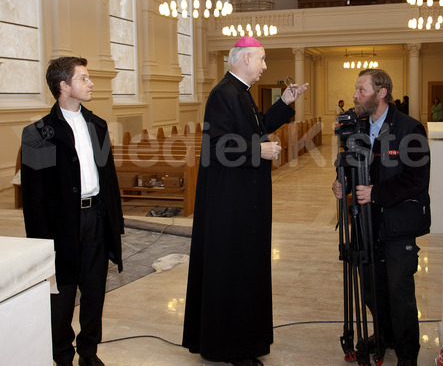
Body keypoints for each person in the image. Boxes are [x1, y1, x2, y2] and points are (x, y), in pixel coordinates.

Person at [182, 36, 308, 366]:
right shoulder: (223, 94)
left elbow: (258, 125)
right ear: (245, 60)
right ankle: (234, 348)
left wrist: (285, 102)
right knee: (234, 270)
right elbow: (219, 146)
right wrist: (259, 150)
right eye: (262, 59)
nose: (266, 66)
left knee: (245, 269)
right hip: (230, 203)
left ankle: (243, 341)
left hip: (243, 199)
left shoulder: (240, 92)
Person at [21, 57, 124, 366]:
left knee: (94, 291)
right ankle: (62, 355)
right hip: (61, 224)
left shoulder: (98, 125)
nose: (90, 83)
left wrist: (114, 224)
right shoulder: (38, 133)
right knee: (62, 296)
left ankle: (89, 353)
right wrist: (40, 243)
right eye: (83, 78)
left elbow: (108, 179)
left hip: (96, 219)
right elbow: (33, 197)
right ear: (63, 86)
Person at [331, 69, 430, 366]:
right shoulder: (356, 129)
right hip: (365, 222)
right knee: (373, 290)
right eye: (356, 90)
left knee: (400, 292)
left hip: (398, 222)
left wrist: (376, 193)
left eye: (361, 90)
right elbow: (350, 167)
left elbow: (416, 180)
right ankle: (384, 335)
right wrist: (342, 183)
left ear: (381, 92)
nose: (355, 95)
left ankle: (407, 353)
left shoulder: (410, 129)